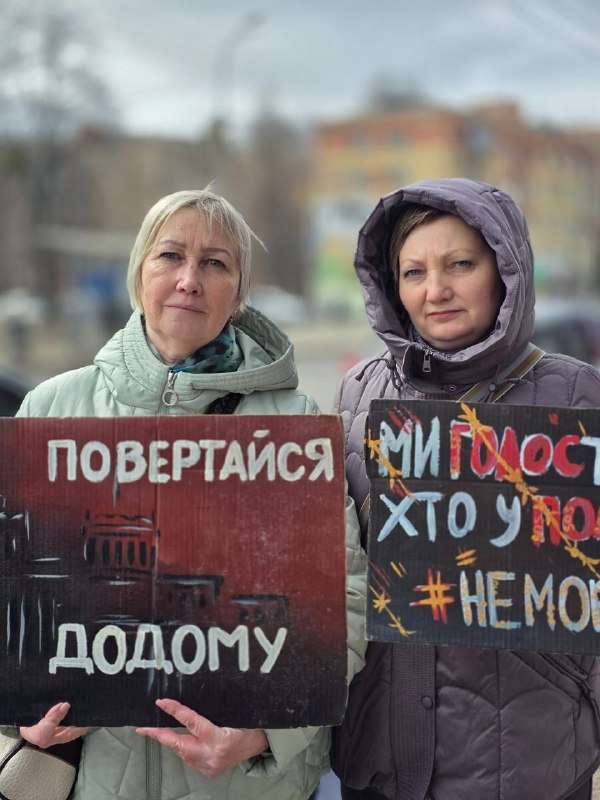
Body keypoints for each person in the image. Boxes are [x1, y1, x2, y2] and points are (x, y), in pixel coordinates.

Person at [7, 188, 367, 799]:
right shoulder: (51, 409)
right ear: (138, 274)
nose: (189, 280)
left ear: (238, 293)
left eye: (215, 263)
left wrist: (267, 733)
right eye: (170, 256)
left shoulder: (290, 424)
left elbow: (345, 598)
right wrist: (19, 711)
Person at [330, 177, 600, 800]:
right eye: (414, 272)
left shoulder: (579, 396)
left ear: (505, 270)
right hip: (380, 760)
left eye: (460, 264)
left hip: (529, 762)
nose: (436, 290)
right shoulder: (357, 392)